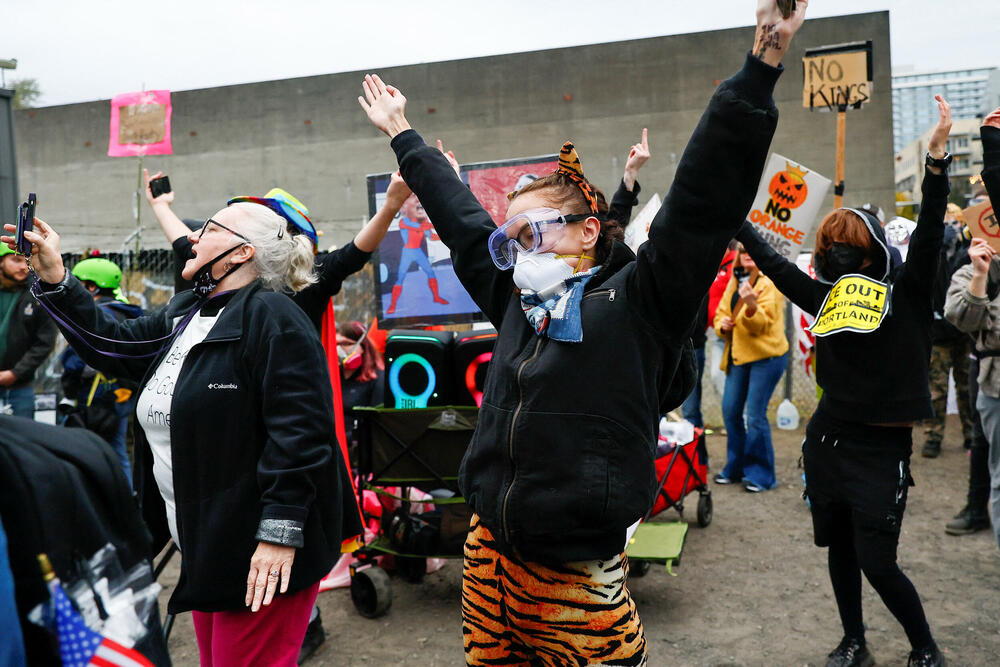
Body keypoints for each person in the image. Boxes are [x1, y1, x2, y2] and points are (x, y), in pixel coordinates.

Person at [358, 2, 808, 663]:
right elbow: (458, 219)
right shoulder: (515, 300)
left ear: (588, 230)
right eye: (511, 238)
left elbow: (702, 201)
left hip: (575, 575)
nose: (518, 249)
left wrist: (762, 63)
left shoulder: (636, 303)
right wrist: (403, 132)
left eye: (533, 231)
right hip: (486, 558)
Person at [6, 198, 363, 667]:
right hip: (208, 544)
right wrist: (56, 276)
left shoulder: (274, 316)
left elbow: (302, 432)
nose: (192, 236)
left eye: (208, 228)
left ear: (241, 253)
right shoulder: (185, 314)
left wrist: (279, 532)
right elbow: (112, 344)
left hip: (258, 549)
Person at [735, 95, 953, 667]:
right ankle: (854, 641)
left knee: (878, 560)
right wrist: (738, 219)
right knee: (838, 548)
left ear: (873, 249)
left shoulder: (906, 292)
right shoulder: (825, 295)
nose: (832, 254)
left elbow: (930, 231)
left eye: (845, 247)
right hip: (829, 438)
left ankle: (924, 646)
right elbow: (780, 269)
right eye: (827, 247)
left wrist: (936, 164)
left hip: (882, 446)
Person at [144, 168, 412, 331]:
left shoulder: (313, 272)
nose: (196, 239)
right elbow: (185, 245)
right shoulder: (241, 263)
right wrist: (160, 206)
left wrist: (390, 207)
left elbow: (355, 252)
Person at [943, 106, 1000, 547]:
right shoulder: (971, 262)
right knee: (985, 450)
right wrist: (981, 275)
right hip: (989, 377)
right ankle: (975, 506)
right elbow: (961, 316)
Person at [59, 257, 143, 483]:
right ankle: (125, 502)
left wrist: (69, 389)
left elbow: (77, 361)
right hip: (123, 393)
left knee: (84, 450)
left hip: (94, 395)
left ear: (91, 286)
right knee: (118, 451)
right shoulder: (130, 311)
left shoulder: (96, 315)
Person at [713, 243, 788, 492]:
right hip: (738, 356)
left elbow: (762, 326)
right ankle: (735, 468)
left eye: (752, 252)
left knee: (755, 417)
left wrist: (752, 307)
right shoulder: (736, 280)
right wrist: (722, 324)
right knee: (731, 412)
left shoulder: (769, 283)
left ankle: (761, 475)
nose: (748, 256)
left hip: (766, 358)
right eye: (744, 253)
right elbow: (720, 316)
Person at [920, 203, 974, 458]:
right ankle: (933, 436)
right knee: (937, 389)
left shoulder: (968, 252)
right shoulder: (933, 253)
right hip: (939, 332)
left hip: (964, 332)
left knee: (966, 387)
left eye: (956, 222)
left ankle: (972, 434)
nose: (952, 227)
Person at [0, 244, 57, 418]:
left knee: (19, 441)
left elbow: (44, 342)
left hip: (19, 388)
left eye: (26, 261)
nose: (23, 267)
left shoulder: (38, 296)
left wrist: (15, 373)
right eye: (16, 260)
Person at [336, 320, 385, 454]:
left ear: (362, 347)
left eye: (346, 344)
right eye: (336, 344)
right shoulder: (331, 377)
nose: (339, 350)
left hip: (357, 452)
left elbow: (377, 426)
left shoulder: (377, 379)